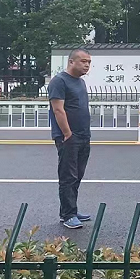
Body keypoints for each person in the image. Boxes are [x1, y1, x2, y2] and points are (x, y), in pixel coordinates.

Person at [49, 49, 93, 230]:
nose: (87, 65)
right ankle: (68, 215)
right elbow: (58, 109)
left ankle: (70, 210)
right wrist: (67, 133)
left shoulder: (80, 82)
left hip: (83, 135)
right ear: (71, 62)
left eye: (89, 62)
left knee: (78, 175)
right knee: (68, 176)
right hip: (68, 136)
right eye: (83, 61)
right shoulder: (59, 81)